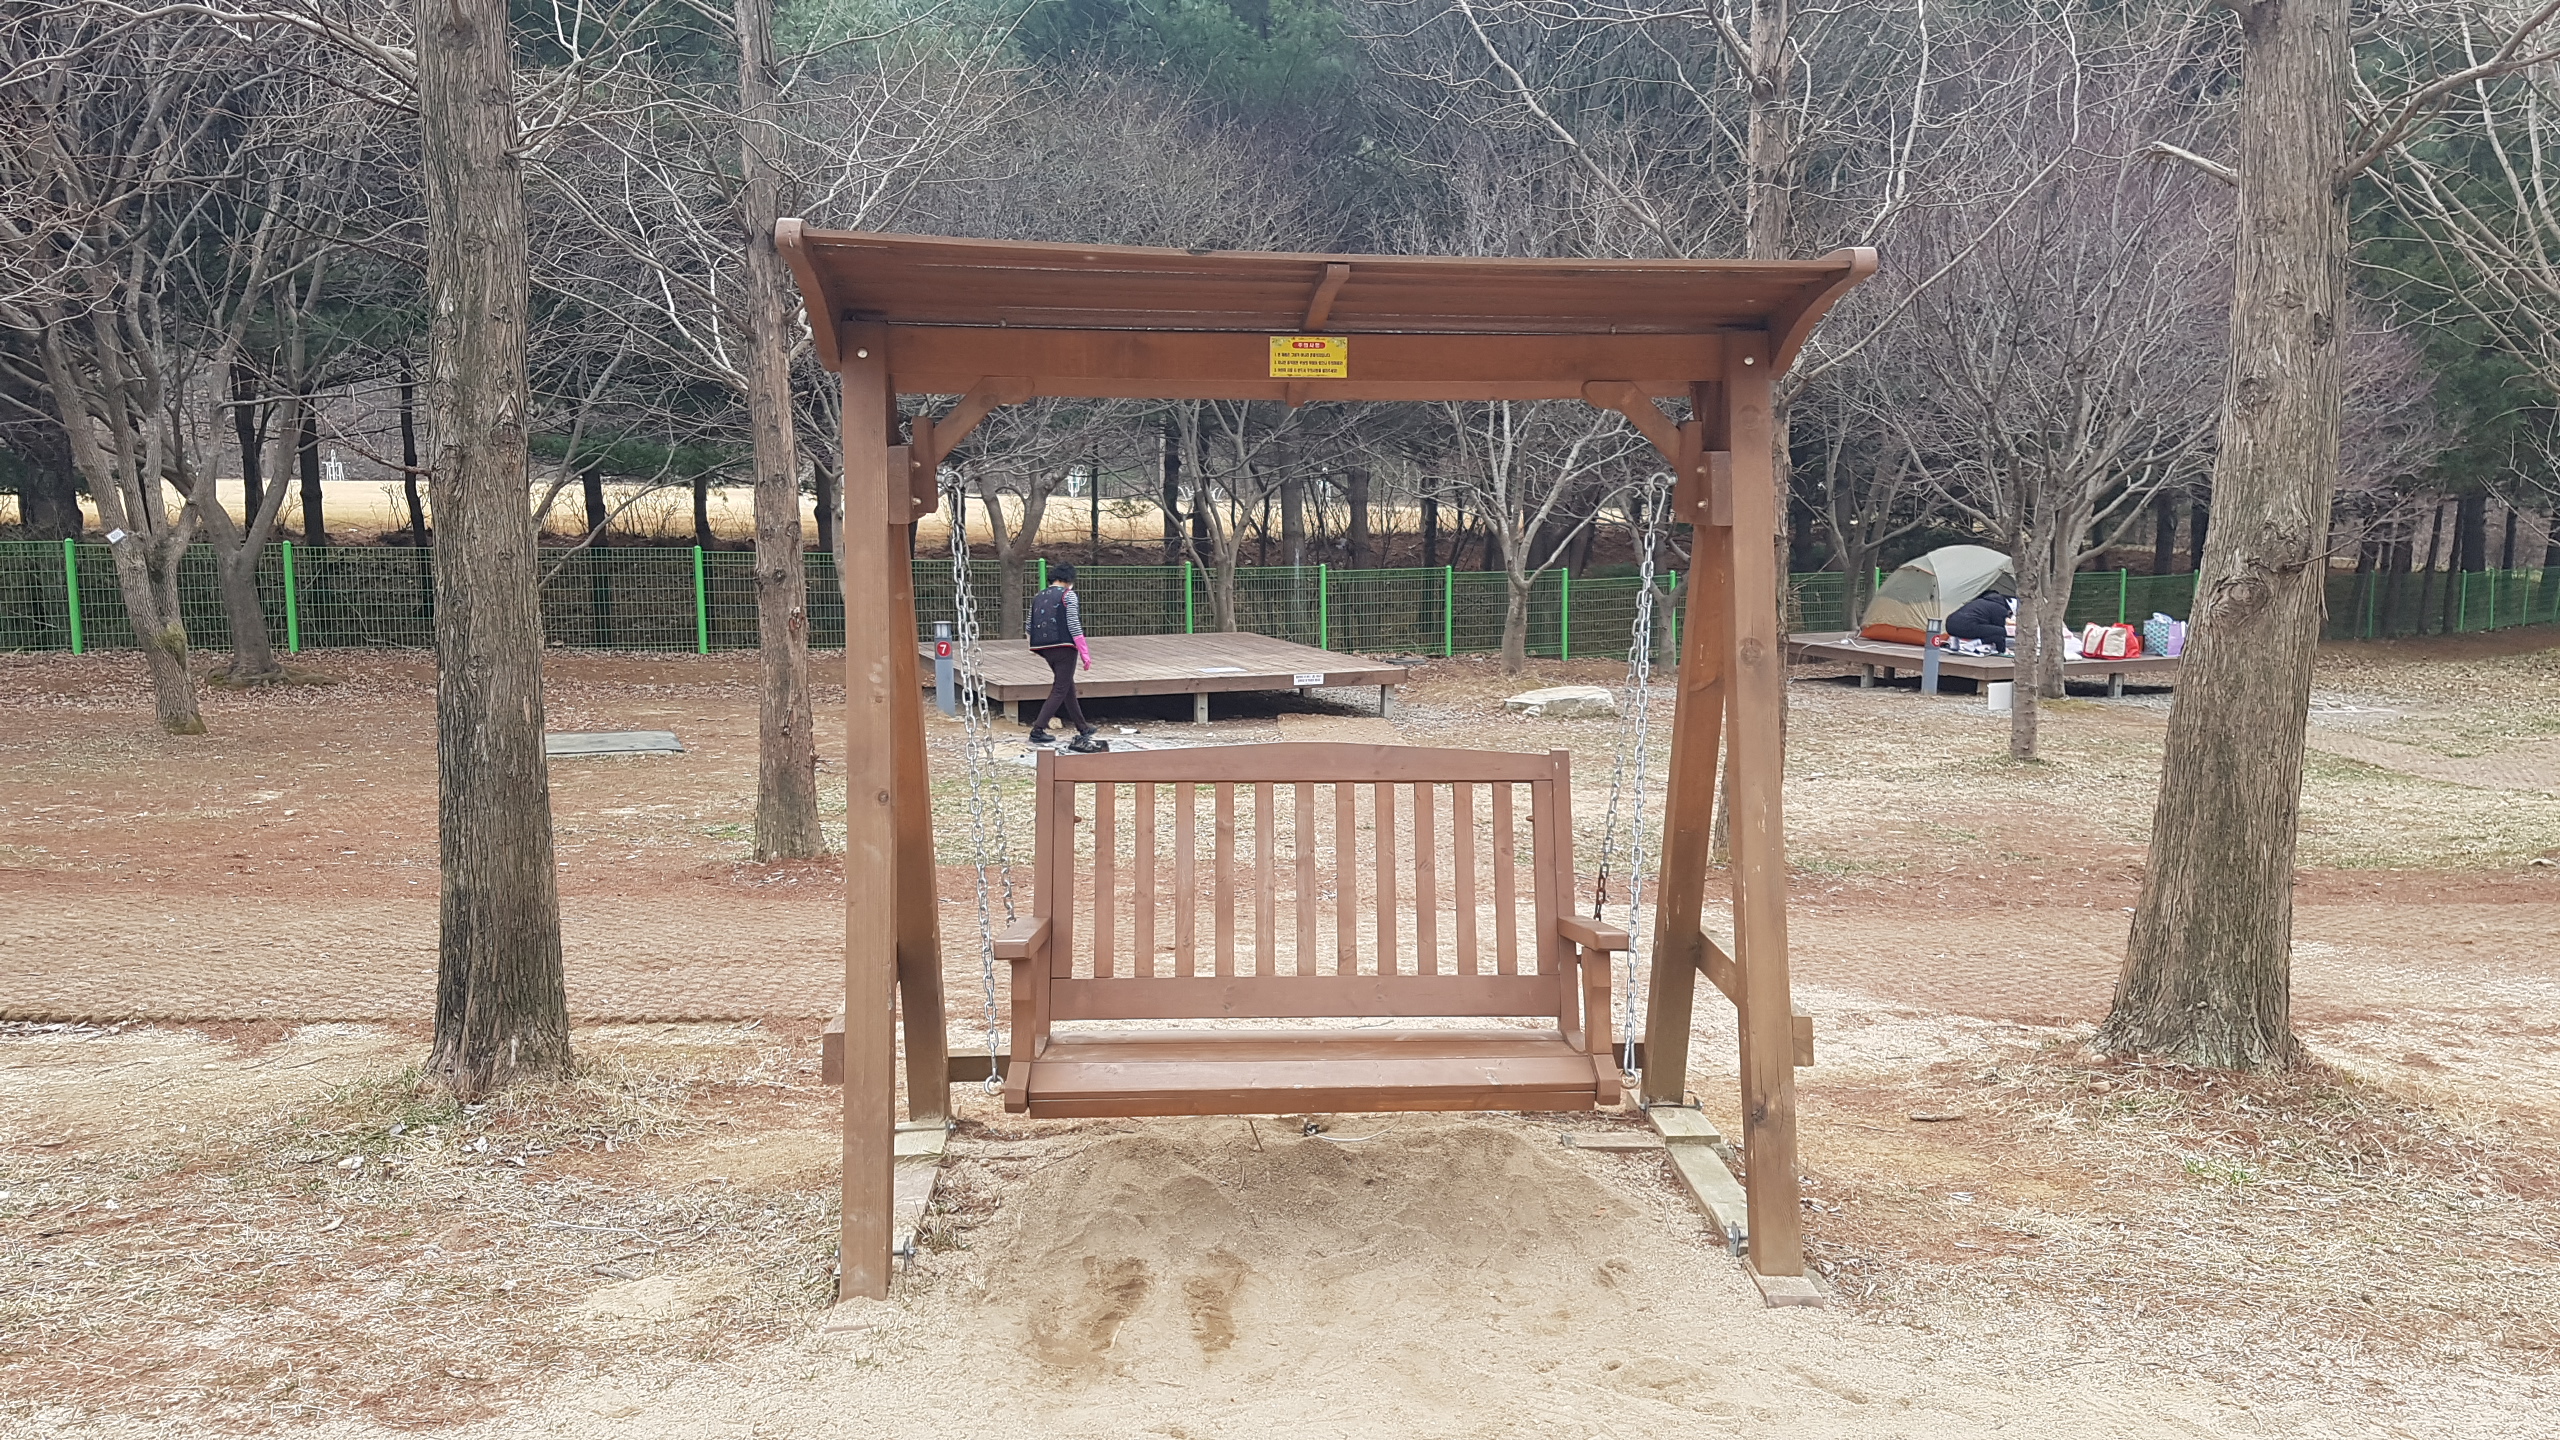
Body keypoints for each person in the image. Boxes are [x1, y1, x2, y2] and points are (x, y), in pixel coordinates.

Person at [1026, 564, 1106, 751]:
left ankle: (1083, 727)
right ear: (1069, 580)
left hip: (1043, 647)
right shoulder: (1068, 595)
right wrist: (1084, 653)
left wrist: (1033, 645)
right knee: (1060, 688)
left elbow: (1029, 625)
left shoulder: (1039, 596)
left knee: (1067, 685)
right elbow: (1073, 624)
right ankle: (1037, 730)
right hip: (1064, 647)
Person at [1945, 590, 2015, 652]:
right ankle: (1972, 645)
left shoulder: (1980, 601)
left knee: (1966, 622)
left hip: (1950, 625)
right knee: (2000, 632)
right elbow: (1999, 631)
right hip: (1966, 626)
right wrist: (2002, 649)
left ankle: (1954, 644)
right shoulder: (2001, 609)